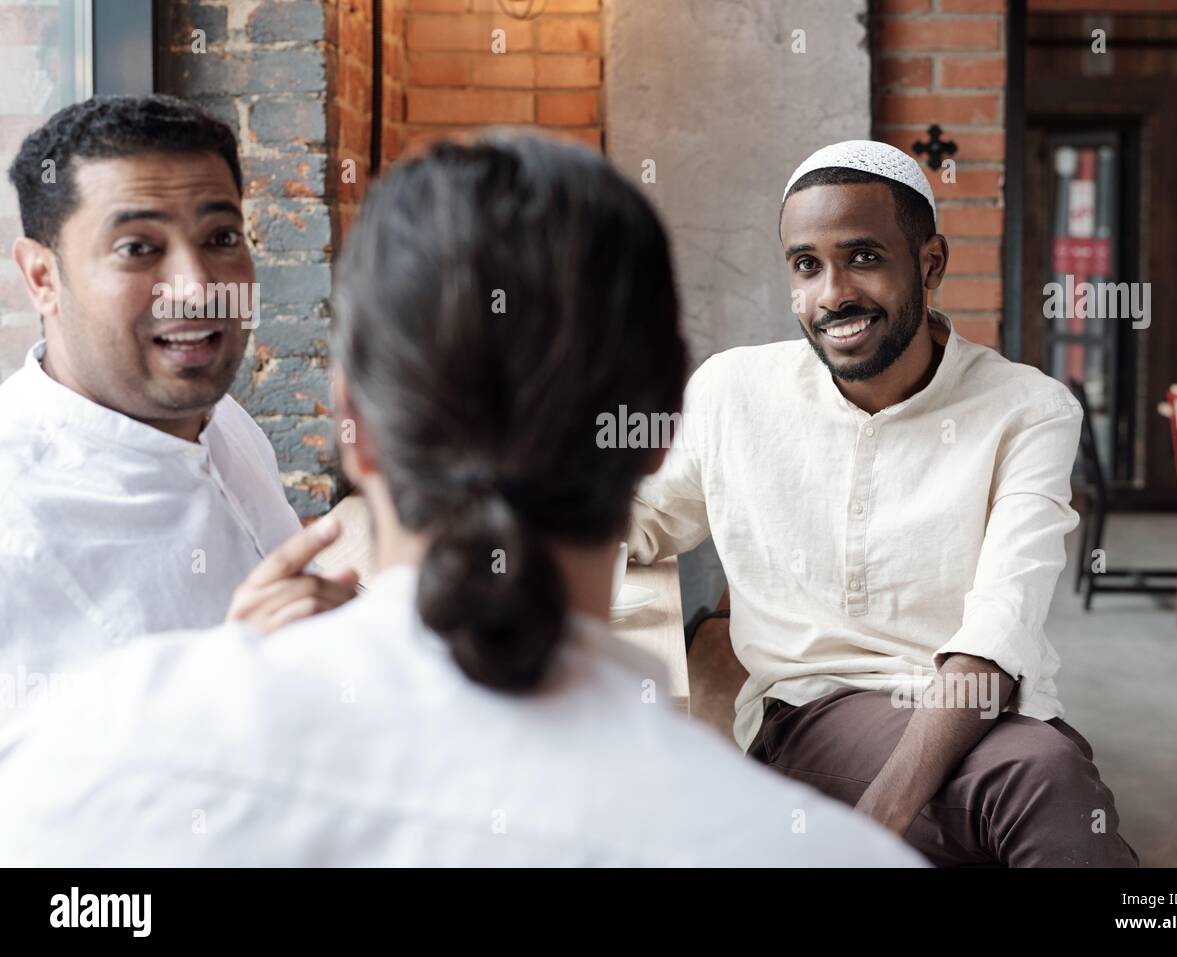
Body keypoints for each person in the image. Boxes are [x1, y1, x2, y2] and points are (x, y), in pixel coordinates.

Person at [0, 133, 924, 867]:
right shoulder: (798, 850)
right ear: (662, 430)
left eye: (218, 234)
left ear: (351, 420)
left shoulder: (84, 765)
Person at [628, 140, 1139, 867]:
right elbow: (645, 519)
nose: (832, 293)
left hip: (984, 714)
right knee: (1043, 781)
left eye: (863, 257)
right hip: (811, 714)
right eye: (806, 265)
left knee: (1039, 779)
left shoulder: (1028, 408)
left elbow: (1000, 626)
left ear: (929, 263)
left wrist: (873, 824)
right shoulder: (732, 392)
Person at [0, 95, 356, 673]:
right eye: (138, 248)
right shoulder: (14, 525)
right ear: (42, 277)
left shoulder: (223, 421)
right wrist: (224, 681)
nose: (195, 287)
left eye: (221, 238)